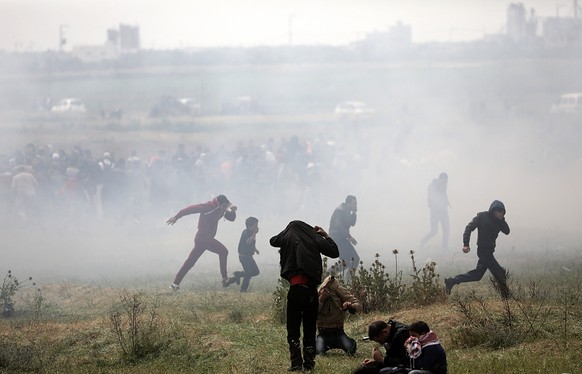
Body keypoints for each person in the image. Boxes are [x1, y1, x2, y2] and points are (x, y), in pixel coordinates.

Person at [270, 220, 339, 372]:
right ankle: (309, 363)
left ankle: (296, 363)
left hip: (294, 290)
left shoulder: (286, 238)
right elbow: (334, 252)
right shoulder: (313, 238)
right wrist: (325, 235)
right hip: (310, 292)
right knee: (309, 328)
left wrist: (286, 232)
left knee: (292, 329)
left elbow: (273, 241)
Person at [167, 194, 237, 290]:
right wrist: (177, 217)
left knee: (190, 262)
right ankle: (225, 279)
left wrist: (233, 211)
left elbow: (231, 219)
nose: (225, 208)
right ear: (218, 203)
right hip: (203, 237)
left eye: (226, 206)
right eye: (224, 206)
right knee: (223, 251)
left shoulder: (222, 209)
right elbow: (190, 209)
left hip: (204, 239)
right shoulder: (207, 206)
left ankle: (175, 284)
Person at [445, 200, 510, 299]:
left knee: (477, 275)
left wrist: (502, 219)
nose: (499, 213)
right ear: (492, 210)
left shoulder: (499, 222)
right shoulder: (482, 217)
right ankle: (507, 300)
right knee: (500, 273)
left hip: (489, 251)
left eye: (501, 212)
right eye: (498, 211)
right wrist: (466, 244)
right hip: (483, 251)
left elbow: (507, 231)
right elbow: (469, 228)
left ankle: (452, 280)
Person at [316, 274, 362, 356]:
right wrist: (321, 299)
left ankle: (350, 342)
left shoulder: (338, 290)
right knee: (317, 351)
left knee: (350, 349)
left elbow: (358, 305)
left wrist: (350, 306)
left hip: (338, 331)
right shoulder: (318, 292)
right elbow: (311, 312)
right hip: (323, 332)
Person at [329, 195, 359, 275]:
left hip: (342, 238)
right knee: (347, 260)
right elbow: (338, 226)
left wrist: (354, 213)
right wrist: (349, 237)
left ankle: (348, 280)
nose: (355, 206)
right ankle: (328, 274)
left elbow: (352, 223)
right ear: (348, 203)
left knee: (355, 259)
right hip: (337, 239)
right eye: (354, 204)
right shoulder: (340, 211)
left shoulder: (347, 210)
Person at [420, 173, 450, 250]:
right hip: (435, 212)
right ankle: (422, 242)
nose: (446, 183)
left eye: (446, 181)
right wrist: (435, 208)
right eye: (444, 181)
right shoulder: (432, 186)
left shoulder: (443, 185)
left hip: (443, 211)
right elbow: (431, 199)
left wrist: (447, 203)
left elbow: (444, 195)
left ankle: (444, 248)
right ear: (440, 179)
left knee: (446, 229)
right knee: (434, 231)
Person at [231, 216, 260, 292]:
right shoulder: (246, 233)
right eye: (255, 226)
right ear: (249, 226)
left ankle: (239, 274)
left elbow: (250, 244)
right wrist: (254, 233)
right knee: (248, 274)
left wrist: (255, 249)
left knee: (256, 272)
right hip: (244, 257)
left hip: (249, 256)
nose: (257, 228)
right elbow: (248, 241)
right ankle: (243, 290)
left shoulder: (251, 233)